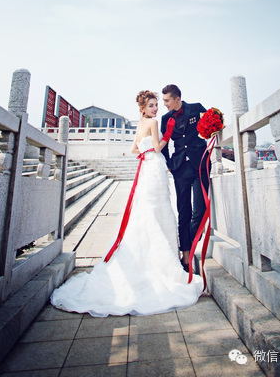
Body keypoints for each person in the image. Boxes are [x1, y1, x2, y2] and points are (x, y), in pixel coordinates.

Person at [50, 90, 203, 316]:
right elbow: (158, 147)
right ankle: (167, 260)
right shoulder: (153, 122)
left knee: (149, 211)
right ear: (143, 108)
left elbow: (134, 149)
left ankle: (156, 256)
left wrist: (145, 151)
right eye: (152, 105)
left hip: (147, 167)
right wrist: (168, 134)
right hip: (155, 166)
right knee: (159, 210)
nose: (156, 108)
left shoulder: (141, 124)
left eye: (157, 104)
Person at [161, 84, 208, 273]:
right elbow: (164, 145)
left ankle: (192, 243)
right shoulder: (165, 119)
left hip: (200, 165)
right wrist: (170, 165)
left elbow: (211, 127)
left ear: (177, 99)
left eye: (167, 100)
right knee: (184, 212)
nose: (164, 104)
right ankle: (186, 255)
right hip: (180, 168)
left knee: (200, 211)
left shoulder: (196, 108)